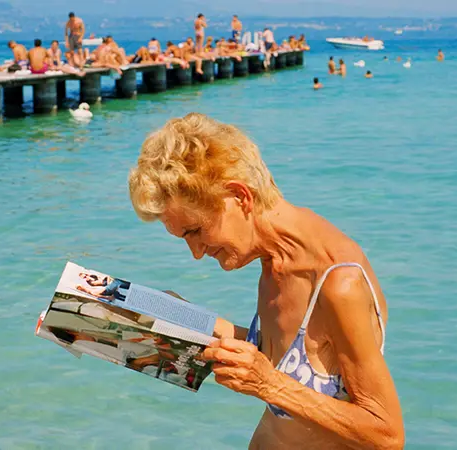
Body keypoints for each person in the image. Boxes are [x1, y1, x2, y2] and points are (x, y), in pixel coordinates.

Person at [127, 113, 404, 449]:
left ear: (239, 196)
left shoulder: (338, 282)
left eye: (196, 231)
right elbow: (287, 353)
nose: (196, 253)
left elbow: (386, 434)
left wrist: (269, 385)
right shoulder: (275, 258)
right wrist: (184, 319)